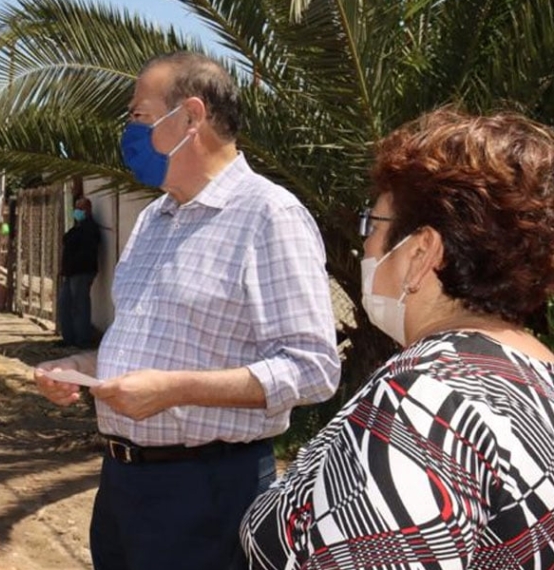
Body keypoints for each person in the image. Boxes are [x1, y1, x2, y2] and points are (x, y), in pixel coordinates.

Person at [32, 52, 340, 570]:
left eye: (137, 116)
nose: (127, 133)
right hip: (123, 487)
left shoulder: (269, 215)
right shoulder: (156, 217)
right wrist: (84, 369)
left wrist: (174, 390)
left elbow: (313, 369)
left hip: (210, 494)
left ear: (191, 117)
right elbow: (142, 341)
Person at [241, 109, 554, 569]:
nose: (362, 246)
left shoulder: (425, 403)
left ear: (421, 252)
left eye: (373, 222)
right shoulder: (537, 374)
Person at [57, 196, 101, 348]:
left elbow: (85, 252)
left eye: (80, 209)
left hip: (82, 272)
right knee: (65, 304)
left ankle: (82, 340)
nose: (77, 211)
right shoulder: (78, 228)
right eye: (76, 208)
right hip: (71, 273)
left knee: (79, 305)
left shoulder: (90, 229)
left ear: (88, 210)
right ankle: (69, 338)